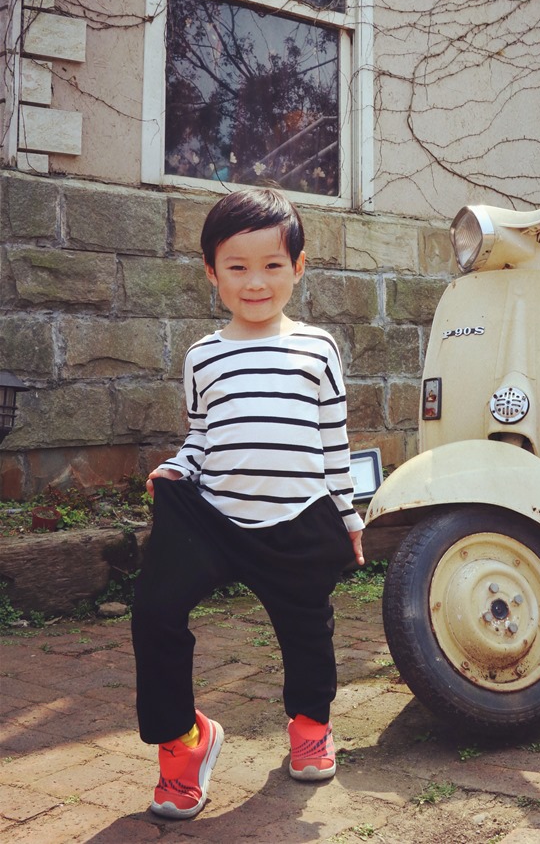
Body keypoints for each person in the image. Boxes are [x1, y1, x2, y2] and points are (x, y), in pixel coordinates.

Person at [131, 186, 365, 820]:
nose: (255, 283)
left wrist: (347, 514)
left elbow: (332, 441)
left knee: (308, 627)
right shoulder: (203, 356)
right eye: (236, 268)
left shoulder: (318, 349)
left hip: (297, 519)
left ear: (299, 267)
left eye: (271, 266)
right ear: (212, 272)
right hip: (215, 521)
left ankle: (310, 724)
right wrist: (177, 468)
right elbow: (201, 436)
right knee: (154, 611)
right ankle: (184, 744)